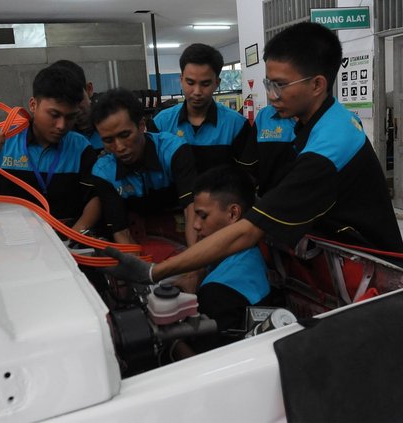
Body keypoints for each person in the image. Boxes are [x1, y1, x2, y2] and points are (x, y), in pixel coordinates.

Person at [102, 22, 403, 285]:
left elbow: (249, 231)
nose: (271, 95)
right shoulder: (320, 121)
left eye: (280, 85)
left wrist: (155, 272)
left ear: (317, 84)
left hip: (379, 272)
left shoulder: (330, 146)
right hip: (343, 259)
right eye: (268, 83)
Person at [0, 65, 100, 233]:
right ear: (33, 105)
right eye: (54, 114)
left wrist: (75, 236)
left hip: (65, 245)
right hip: (8, 241)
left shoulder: (81, 148)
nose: (61, 125)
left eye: (70, 117)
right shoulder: (1, 142)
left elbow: (94, 197)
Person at [175, 164, 269, 352]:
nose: (195, 225)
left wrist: (171, 338)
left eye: (203, 216)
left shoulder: (216, 293)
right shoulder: (250, 253)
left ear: (233, 213)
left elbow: (206, 367)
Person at [90, 88, 198, 246]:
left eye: (125, 135)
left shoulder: (174, 151)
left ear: (141, 125)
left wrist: (195, 264)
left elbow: (192, 212)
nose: (119, 147)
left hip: (181, 228)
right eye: (108, 140)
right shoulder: (103, 173)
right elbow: (121, 232)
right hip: (140, 234)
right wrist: (142, 270)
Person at [148, 43, 252, 173]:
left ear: (217, 83)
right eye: (190, 82)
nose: (197, 91)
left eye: (205, 83)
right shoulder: (161, 123)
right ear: (181, 80)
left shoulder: (237, 125)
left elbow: (246, 177)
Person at [49, 59, 104, 154]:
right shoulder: (56, 138)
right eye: (63, 103)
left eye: (77, 99)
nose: (73, 109)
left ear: (89, 89)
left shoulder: (112, 124)